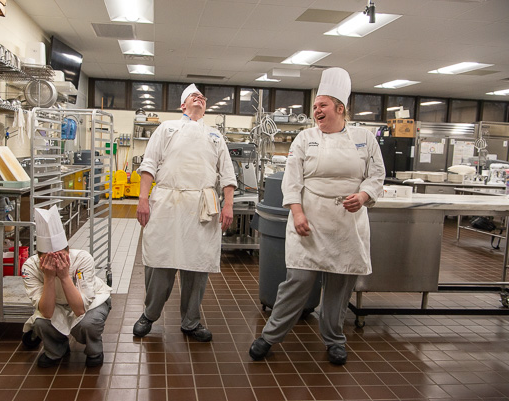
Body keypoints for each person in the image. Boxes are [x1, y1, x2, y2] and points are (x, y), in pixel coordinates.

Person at [249, 67, 385, 365]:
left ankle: (335, 340)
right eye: (314, 106)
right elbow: (292, 181)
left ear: (339, 108)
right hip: (308, 220)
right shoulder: (305, 138)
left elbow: (376, 176)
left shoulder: (364, 138)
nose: (316, 111)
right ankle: (269, 337)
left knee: (338, 287)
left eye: (322, 105)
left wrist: (362, 196)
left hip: (347, 222)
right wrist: (296, 212)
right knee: (297, 280)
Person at [133, 83, 237, 342]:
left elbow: (227, 173)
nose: (200, 98)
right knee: (160, 262)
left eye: (203, 96)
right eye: (194, 96)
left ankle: (191, 321)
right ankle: (149, 314)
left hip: (202, 205)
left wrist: (228, 204)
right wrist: (143, 199)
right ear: (183, 105)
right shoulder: (166, 128)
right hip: (168, 201)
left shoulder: (214, 135)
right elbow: (149, 165)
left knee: (197, 266)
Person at [22, 205, 112, 368]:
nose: (56, 263)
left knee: (87, 323)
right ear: (38, 257)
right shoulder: (30, 267)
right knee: (41, 322)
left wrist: (64, 276)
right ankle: (56, 350)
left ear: (68, 251)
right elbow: (47, 312)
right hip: (55, 305)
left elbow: (80, 309)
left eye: (60, 257)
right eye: (48, 260)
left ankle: (94, 350)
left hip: (91, 303)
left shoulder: (82, 259)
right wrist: (49, 277)